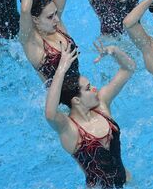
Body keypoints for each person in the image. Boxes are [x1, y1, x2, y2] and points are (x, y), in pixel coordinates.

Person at [45, 40, 135, 188]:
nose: (94, 89)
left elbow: (129, 68)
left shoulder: (102, 105)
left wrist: (115, 51)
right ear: (76, 100)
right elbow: (50, 114)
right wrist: (61, 69)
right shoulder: (71, 130)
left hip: (129, 183)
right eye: (88, 88)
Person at [17, 0, 79, 89]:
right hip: (59, 103)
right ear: (35, 20)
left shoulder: (57, 26)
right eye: (50, 16)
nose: (56, 19)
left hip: (80, 92)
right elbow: (25, 10)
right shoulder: (32, 41)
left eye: (56, 13)